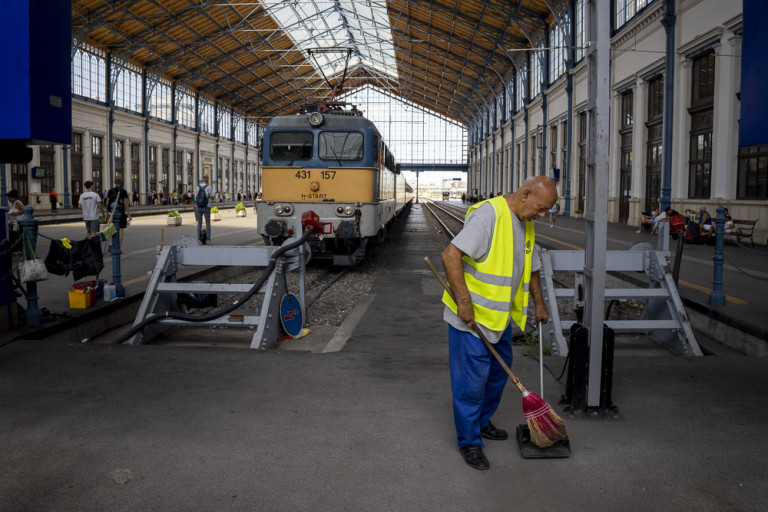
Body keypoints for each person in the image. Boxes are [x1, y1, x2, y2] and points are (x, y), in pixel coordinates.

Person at [441, 175, 556, 471]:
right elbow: (450, 256)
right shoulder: (489, 215)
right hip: (472, 320)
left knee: (497, 374)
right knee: (471, 383)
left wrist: (539, 304)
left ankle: (480, 422)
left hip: (500, 319)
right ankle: (469, 441)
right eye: (541, 208)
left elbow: (531, 266)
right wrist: (463, 302)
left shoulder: (526, 222)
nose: (542, 216)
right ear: (527, 193)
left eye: (546, 211)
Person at [104, 177, 132, 246]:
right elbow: (126, 204)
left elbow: (107, 203)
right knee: (121, 229)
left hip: (112, 212)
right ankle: (118, 246)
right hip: (121, 212)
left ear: (114, 182)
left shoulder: (110, 191)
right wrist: (128, 215)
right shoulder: (123, 191)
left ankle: (111, 242)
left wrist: (106, 213)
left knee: (111, 228)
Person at [195, 175, 214, 244]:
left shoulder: (197, 187)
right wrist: (208, 196)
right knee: (207, 222)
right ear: (207, 180)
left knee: (199, 222)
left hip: (198, 207)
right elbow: (212, 197)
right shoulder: (209, 187)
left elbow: (196, 197)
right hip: (206, 206)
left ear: (202, 180)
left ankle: (199, 238)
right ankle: (208, 237)